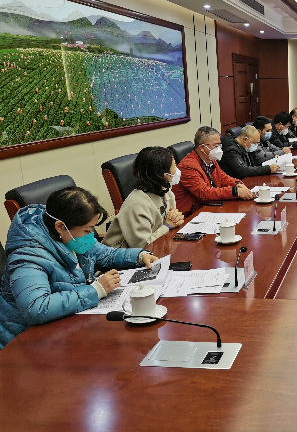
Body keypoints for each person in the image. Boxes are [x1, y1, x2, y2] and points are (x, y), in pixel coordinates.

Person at [0, 187, 159, 348]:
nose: (91, 235)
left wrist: (139, 256)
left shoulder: (72, 237)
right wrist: (96, 290)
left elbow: (106, 255)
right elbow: (37, 308)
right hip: (24, 342)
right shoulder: (27, 256)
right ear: (60, 226)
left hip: (67, 325)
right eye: (87, 230)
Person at [103, 147, 185, 248]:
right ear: (163, 175)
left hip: (159, 247)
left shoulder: (167, 192)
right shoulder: (136, 204)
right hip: (123, 254)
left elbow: (170, 222)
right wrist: (168, 226)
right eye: (174, 166)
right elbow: (143, 246)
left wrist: (175, 219)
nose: (177, 170)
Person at [173, 126, 255, 215]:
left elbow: (223, 178)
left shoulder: (210, 159)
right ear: (202, 147)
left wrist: (238, 184)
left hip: (209, 207)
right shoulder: (188, 166)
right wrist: (235, 191)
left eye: (220, 145)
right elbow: (204, 193)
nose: (219, 149)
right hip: (191, 215)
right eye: (216, 146)